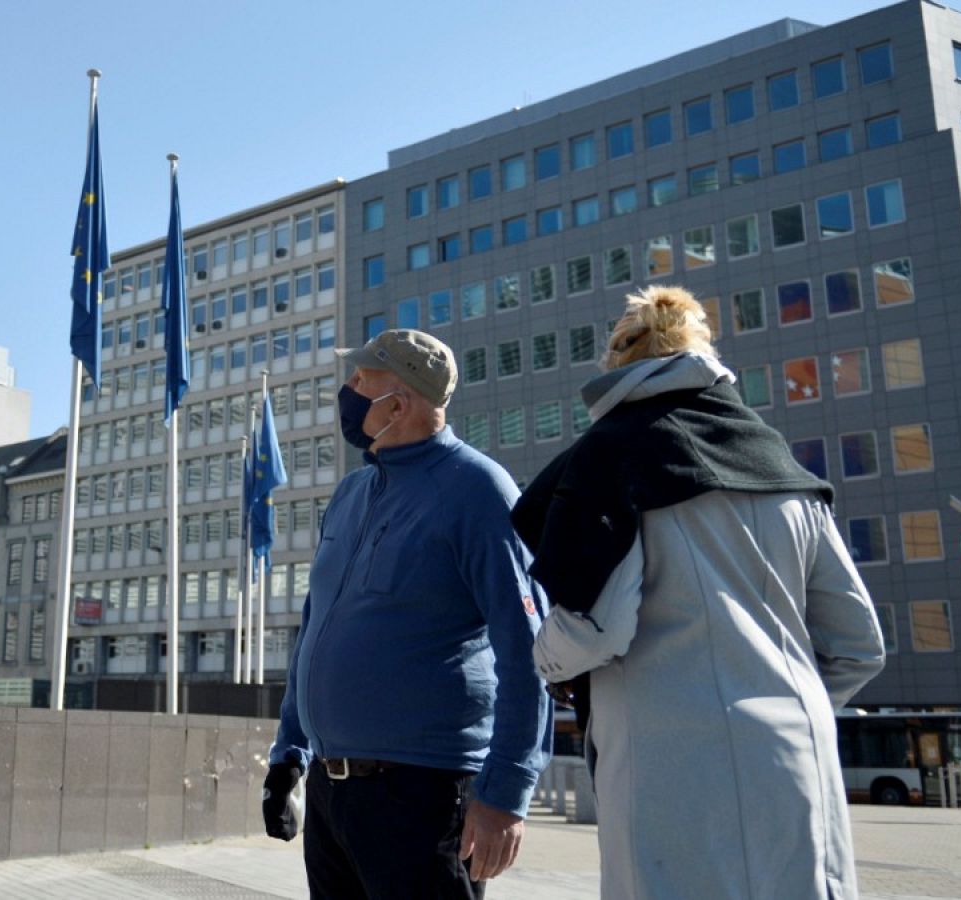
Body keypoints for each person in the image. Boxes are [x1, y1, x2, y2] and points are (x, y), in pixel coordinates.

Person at [514, 287, 886, 900]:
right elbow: (859, 647)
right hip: (800, 756)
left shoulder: (612, 456)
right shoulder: (781, 463)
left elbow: (596, 628)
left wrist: (542, 658)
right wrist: (784, 701)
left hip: (671, 761)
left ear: (617, 363)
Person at [264, 328, 553, 899]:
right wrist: (288, 755)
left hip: (423, 797)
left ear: (398, 405)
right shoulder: (349, 494)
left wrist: (506, 793)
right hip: (331, 792)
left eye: (359, 382)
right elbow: (314, 633)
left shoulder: (477, 490)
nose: (345, 392)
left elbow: (530, 649)